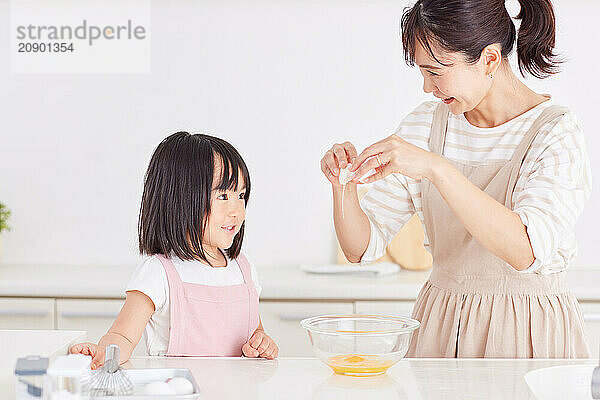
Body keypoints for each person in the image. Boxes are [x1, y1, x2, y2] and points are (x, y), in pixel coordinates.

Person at [321, 0, 591, 358]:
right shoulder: (425, 126)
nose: (427, 88)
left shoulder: (554, 132)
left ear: (489, 60)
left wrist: (437, 168)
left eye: (436, 72)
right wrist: (344, 187)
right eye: (422, 72)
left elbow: (525, 251)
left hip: (530, 328)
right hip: (443, 325)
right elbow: (360, 248)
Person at [71, 132, 278, 368]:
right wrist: (103, 352)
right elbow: (123, 336)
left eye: (240, 195)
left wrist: (261, 342)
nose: (236, 210)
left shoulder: (244, 270)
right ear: (181, 198)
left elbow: (254, 331)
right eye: (223, 196)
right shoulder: (159, 273)